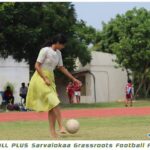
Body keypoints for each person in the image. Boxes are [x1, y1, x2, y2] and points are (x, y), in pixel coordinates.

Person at [26, 34, 82, 139]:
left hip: (50, 79)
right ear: (57, 43)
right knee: (54, 101)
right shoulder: (45, 50)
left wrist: (73, 79)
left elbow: (61, 68)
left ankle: (53, 133)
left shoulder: (59, 53)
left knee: (52, 107)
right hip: (40, 78)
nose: (63, 47)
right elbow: (37, 66)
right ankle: (61, 126)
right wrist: (44, 78)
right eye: (63, 44)